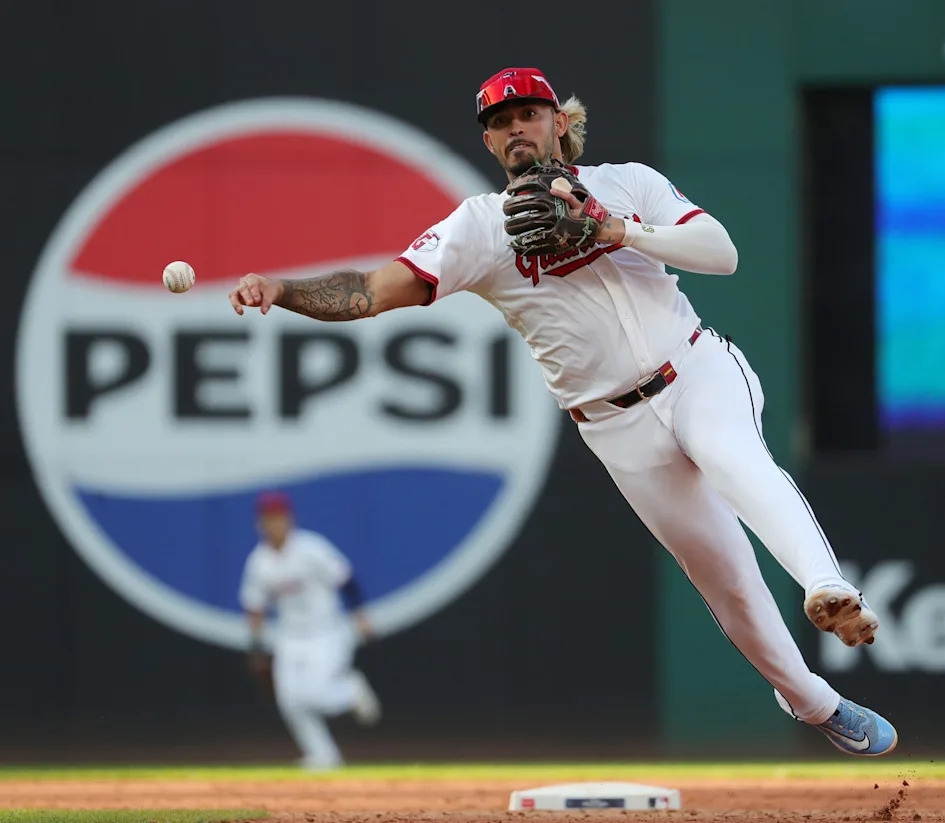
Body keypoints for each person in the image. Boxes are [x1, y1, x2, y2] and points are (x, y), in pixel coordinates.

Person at [228, 67, 897, 756]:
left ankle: (825, 585)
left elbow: (720, 253)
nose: (515, 127)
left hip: (696, 368)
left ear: (559, 123)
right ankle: (815, 701)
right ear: (489, 141)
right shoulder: (480, 228)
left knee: (734, 457)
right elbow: (372, 289)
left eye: (528, 113)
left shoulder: (626, 183)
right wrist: (281, 288)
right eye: (499, 120)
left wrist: (613, 227)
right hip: (614, 423)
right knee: (724, 578)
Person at [238, 491, 381, 769]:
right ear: (260, 524)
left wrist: (360, 617)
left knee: (316, 695)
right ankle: (323, 756)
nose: (275, 524)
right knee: (290, 701)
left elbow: (347, 580)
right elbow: (254, 606)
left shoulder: (311, 548)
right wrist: (256, 646)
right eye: (269, 519)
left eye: (279, 518)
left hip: (326, 631)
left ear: (290, 520)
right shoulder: (259, 562)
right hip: (290, 636)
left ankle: (351, 690)